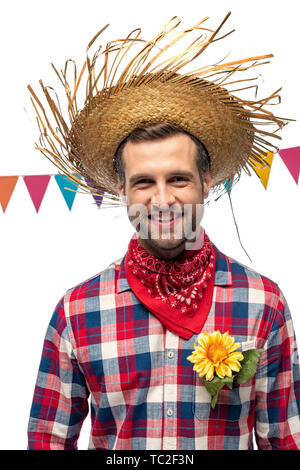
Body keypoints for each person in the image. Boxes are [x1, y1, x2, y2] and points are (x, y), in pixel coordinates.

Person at [27, 14, 300, 450]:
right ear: (121, 189)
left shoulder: (263, 302)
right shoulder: (76, 312)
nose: (162, 200)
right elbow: (47, 439)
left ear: (206, 182)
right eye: (143, 182)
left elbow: (284, 440)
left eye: (178, 179)